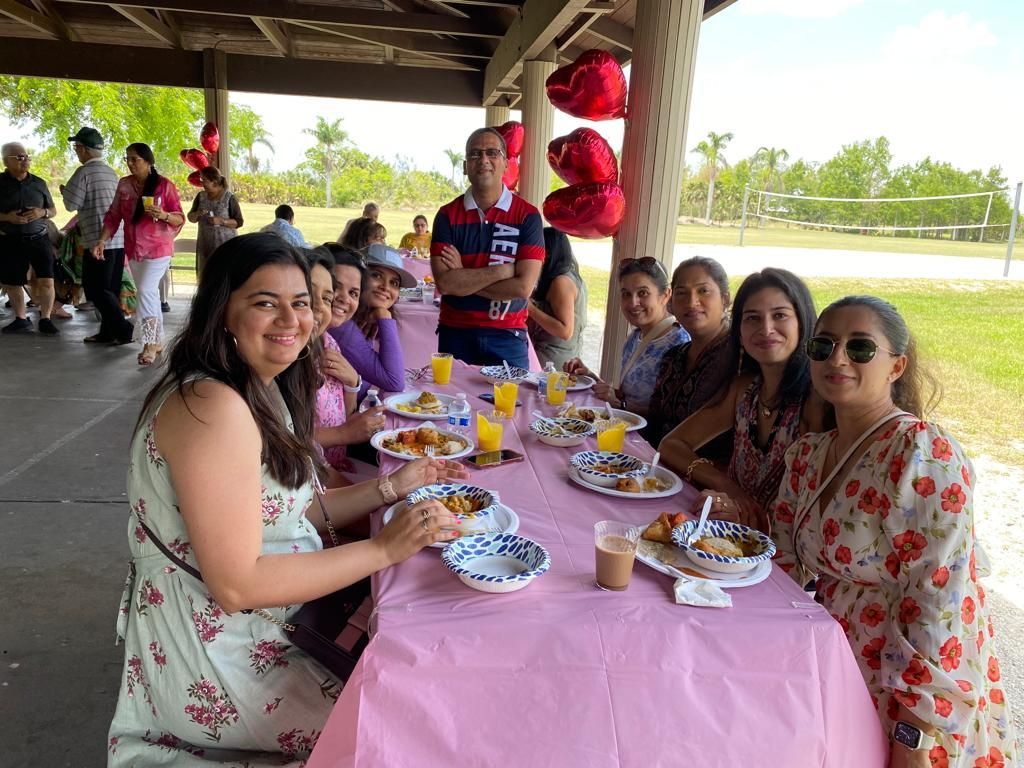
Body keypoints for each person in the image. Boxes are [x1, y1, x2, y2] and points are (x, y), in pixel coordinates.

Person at [106, 232, 466, 765]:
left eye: (300, 303)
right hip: (221, 654)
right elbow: (236, 584)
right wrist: (384, 549)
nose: (292, 320)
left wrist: (394, 487)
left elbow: (290, 515)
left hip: (268, 624)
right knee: (406, 728)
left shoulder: (253, 388)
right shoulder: (212, 406)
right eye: (264, 303)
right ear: (221, 311)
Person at [771, 296, 1018, 768]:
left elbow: (939, 607)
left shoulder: (922, 453)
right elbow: (783, 560)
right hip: (836, 665)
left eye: (860, 348)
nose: (837, 359)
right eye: (823, 346)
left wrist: (913, 736)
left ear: (896, 366)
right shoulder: (808, 454)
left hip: (907, 687)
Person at [659, 268, 828, 531]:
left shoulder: (815, 401)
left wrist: (737, 507)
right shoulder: (745, 390)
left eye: (780, 315)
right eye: (752, 318)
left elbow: (809, 515)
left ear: (803, 322)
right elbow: (671, 445)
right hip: (729, 542)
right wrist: (728, 488)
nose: (766, 329)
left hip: (782, 560)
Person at [430, 127, 545, 369]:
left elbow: (523, 287)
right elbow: (446, 284)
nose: (483, 160)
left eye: (492, 153)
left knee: (510, 407)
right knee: (452, 406)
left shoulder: (528, 216)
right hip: (455, 334)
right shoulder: (447, 216)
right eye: (475, 154)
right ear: (465, 166)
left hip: (508, 336)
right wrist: (503, 271)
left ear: (505, 163)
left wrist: (464, 277)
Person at [94, 143, 184, 366]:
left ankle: (150, 343)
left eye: (135, 159)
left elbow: (180, 218)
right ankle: (158, 340)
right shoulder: (124, 185)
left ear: (148, 161)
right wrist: (102, 240)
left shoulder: (164, 186)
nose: (131, 163)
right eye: (128, 159)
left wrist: (163, 215)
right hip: (134, 248)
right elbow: (113, 216)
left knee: (145, 291)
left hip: (158, 248)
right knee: (148, 293)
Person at [564, 257, 688, 416]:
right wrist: (589, 377)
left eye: (643, 293)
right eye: (626, 294)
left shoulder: (679, 344)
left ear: (665, 295)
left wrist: (619, 404)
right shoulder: (635, 337)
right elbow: (627, 397)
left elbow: (670, 415)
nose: (633, 302)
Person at [307, 246, 385, 484]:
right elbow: (286, 440)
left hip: (336, 464)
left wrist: (353, 382)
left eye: (353, 293)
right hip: (314, 476)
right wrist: (346, 434)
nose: (342, 298)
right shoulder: (292, 354)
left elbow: (346, 413)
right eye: (335, 289)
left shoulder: (329, 341)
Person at [645, 256, 734, 447]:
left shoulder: (738, 357)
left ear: (725, 299)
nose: (692, 301)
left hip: (706, 473)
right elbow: (653, 422)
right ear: (672, 303)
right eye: (682, 293)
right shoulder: (674, 357)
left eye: (703, 291)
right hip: (657, 468)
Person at [59, 127, 133, 344]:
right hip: (117, 240)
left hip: (96, 242)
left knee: (95, 289)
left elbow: (72, 203)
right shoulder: (111, 172)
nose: (76, 152)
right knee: (108, 289)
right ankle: (107, 332)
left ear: (82, 149)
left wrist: (66, 192)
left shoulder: (83, 173)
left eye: (76, 148)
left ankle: (122, 328)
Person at [329, 243, 413, 397]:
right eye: (376, 275)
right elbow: (394, 382)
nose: (385, 287)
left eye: (394, 283)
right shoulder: (339, 323)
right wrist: (385, 317)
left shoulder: (360, 317)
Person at [0, 142, 59, 335]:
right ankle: (21, 319)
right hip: (11, 239)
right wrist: (8, 217)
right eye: (19, 157)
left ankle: (46, 318)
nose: (25, 160)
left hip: (39, 239)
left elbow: (53, 210)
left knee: (47, 280)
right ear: (5, 161)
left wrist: (42, 212)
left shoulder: (39, 183)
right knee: (13, 282)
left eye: (26, 156)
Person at [526, 226, 587, 372]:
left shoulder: (562, 282)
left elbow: (565, 331)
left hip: (553, 364)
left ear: (547, 253)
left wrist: (530, 308)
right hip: (551, 358)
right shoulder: (565, 276)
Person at [186, 165, 243, 277]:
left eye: (205, 180)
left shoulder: (229, 198)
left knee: (223, 277)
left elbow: (239, 222)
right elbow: (190, 217)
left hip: (225, 246)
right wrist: (197, 213)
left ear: (215, 181)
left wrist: (222, 221)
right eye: (201, 180)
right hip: (205, 246)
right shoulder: (201, 196)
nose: (202, 183)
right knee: (206, 277)